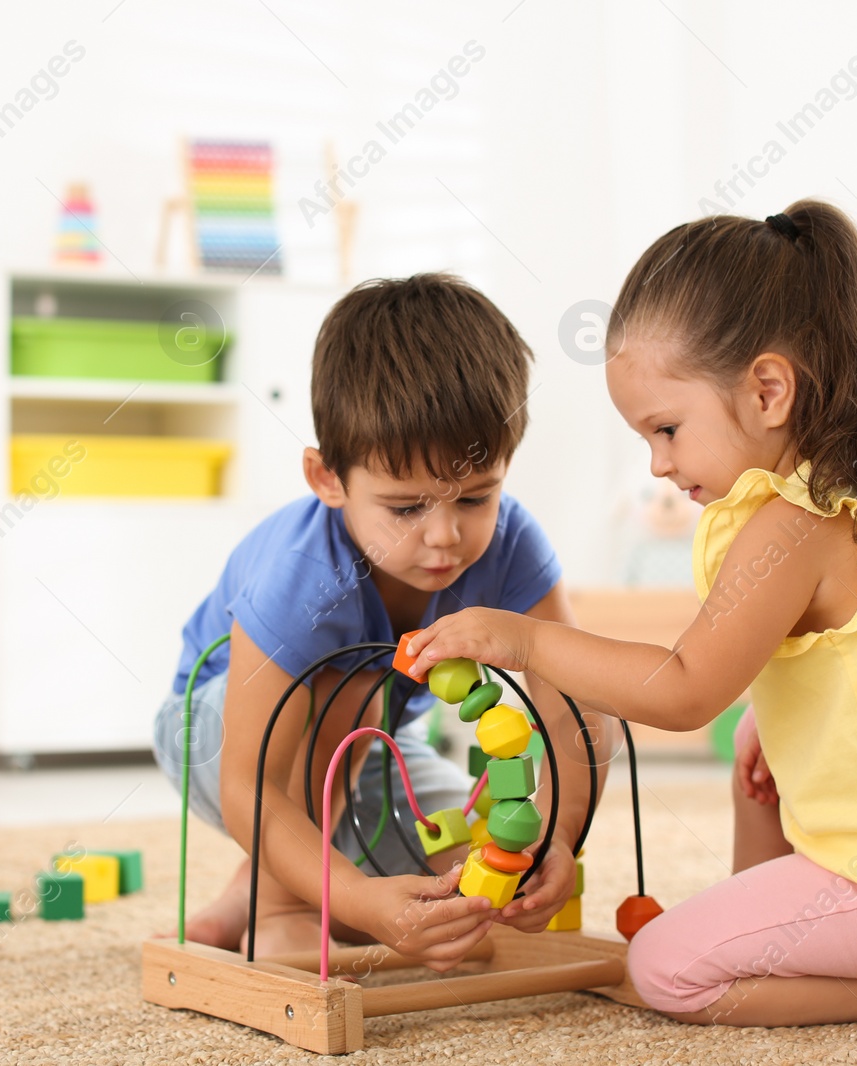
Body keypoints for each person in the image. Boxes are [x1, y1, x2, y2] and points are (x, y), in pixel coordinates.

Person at [407, 201, 857, 1022]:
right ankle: (778, 929)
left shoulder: (791, 523)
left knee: (663, 969)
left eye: (667, 429)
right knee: (757, 754)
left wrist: (526, 640)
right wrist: (771, 720)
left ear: (768, 390)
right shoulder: (844, 487)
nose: (659, 464)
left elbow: (681, 691)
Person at [152, 273, 609, 970]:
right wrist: (362, 906)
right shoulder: (304, 576)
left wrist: (555, 834)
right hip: (218, 737)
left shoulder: (514, 543)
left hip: (368, 749)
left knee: (472, 865)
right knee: (351, 690)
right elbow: (252, 786)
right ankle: (280, 905)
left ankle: (250, 890)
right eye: (405, 508)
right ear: (327, 478)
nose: (444, 537)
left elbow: (574, 701)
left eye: (476, 499)